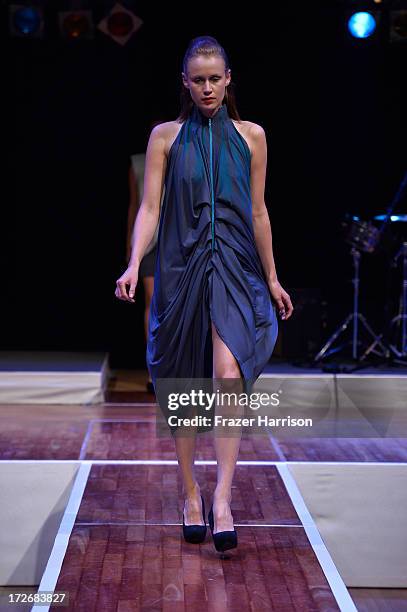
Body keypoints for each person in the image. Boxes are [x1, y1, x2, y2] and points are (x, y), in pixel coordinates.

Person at [115, 35, 293, 553]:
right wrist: (132, 264)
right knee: (185, 378)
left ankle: (222, 498)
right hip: (180, 262)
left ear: (229, 78)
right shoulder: (165, 137)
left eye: (216, 78)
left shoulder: (253, 136)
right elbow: (150, 208)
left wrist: (274, 275)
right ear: (185, 83)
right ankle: (190, 492)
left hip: (236, 263)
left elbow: (259, 211)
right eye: (198, 80)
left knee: (227, 372)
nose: (208, 88)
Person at [127, 122, 165, 392]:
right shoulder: (138, 164)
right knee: (153, 303)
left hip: (179, 237)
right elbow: (136, 204)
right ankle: (154, 371)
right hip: (150, 242)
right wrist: (132, 251)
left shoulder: (178, 153)